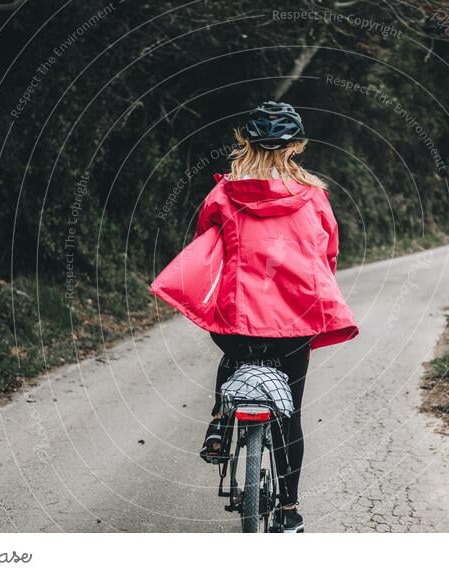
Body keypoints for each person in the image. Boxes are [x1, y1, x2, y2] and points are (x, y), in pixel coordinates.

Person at [151, 101, 358, 532]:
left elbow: (206, 243)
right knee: (292, 415)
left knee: (233, 354)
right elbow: (329, 254)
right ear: (296, 146)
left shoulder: (222, 194)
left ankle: (218, 420)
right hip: (295, 327)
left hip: (236, 322)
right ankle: (289, 512)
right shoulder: (315, 199)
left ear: (244, 142)